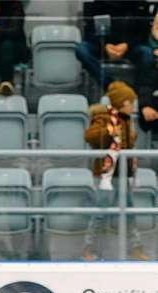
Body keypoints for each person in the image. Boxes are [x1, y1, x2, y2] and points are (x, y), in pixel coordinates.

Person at [83, 81, 150, 261]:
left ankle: (135, 248)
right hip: (108, 174)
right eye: (130, 103)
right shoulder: (104, 118)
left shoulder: (126, 120)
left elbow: (127, 142)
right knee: (101, 212)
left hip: (123, 173)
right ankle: (90, 248)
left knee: (129, 213)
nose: (133, 106)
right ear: (123, 103)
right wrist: (109, 132)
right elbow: (90, 136)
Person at [75, 1, 153, 91]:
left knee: (146, 53)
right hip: (102, 46)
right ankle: (111, 85)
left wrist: (127, 45)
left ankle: (139, 94)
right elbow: (89, 31)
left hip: (130, 47)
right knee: (81, 49)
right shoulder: (97, 4)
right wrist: (105, 45)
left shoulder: (141, 4)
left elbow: (144, 33)